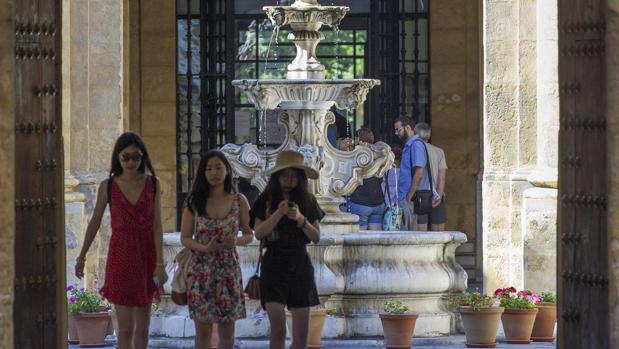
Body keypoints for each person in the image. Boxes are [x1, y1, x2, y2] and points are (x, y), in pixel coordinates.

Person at [75, 132, 168, 349]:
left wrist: (160, 263)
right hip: (121, 256)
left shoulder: (153, 184)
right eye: (125, 157)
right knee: (125, 328)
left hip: (146, 256)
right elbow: (95, 222)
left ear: (142, 157)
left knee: (143, 327)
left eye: (136, 157)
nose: (131, 162)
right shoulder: (108, 186)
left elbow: (157, 225)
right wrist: (81, 256)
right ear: (118, 157)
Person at [179, 150, 254, 349]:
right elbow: (185, 238)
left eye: (218, 167)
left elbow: (249, 234)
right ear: (203, 173)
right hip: (200, 271)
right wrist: (205, 247)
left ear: (227, 170)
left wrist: (234, 242)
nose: (214, 172)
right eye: (209, 168)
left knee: (227, 332)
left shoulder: (240, 201)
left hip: (228, 269)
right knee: (202, 332)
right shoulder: (194, 201)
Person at [250, 150, 324, 349]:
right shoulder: (265, 199)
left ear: (300, 178)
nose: (289, 180)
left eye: (294, 176)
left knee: (301, 338)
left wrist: (300, 218)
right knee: (278, 330)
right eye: (285, 175)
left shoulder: (308, 200)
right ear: (277, 176)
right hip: (273, 264)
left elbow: (316, 237)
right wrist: (278, 213)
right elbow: (258, 233)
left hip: (300, 264)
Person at [393, 116, 431, 230]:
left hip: (409, 199)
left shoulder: (416, 145)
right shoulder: (410, 145)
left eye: (398, 129)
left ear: (408, 127)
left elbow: (419, 172)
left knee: (408, 236)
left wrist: (409, 196)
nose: (396, 133)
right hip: (405, 197)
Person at [348, 127, 385, 230]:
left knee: (360, 239)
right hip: (378, 202)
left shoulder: (355, 155)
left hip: (360, 202)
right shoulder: (379, 154)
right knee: (375, 239)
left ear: (359, 140)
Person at [413, 122, 448, 231]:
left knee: (420, 235)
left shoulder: (413, 150)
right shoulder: (439, 152)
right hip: (436, 196)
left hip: (419, 196)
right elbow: (442, 178)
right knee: (438, 236)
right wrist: (437, 196)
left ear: (416, 135)